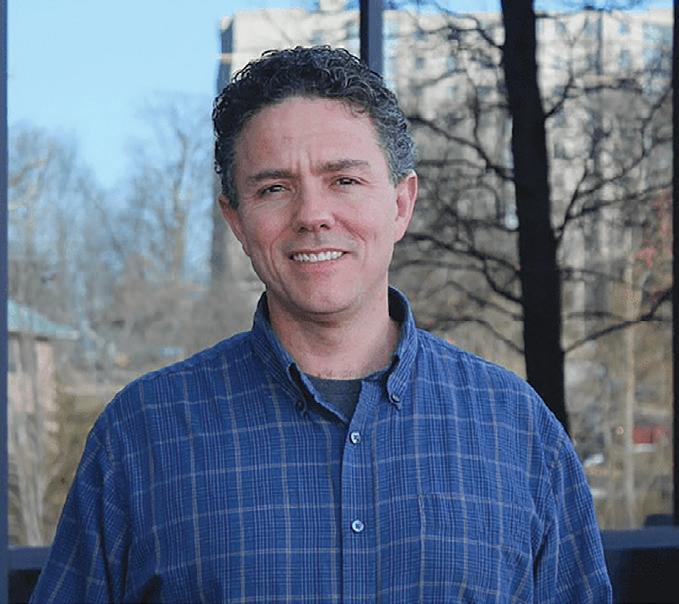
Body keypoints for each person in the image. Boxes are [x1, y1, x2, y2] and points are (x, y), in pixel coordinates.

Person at [31, 46, 612, 603]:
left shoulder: (518, 431)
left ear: (401, 204)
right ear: (236, 221)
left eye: (344, 180)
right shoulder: (142, 436)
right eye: (274, 188)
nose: (312, 215)